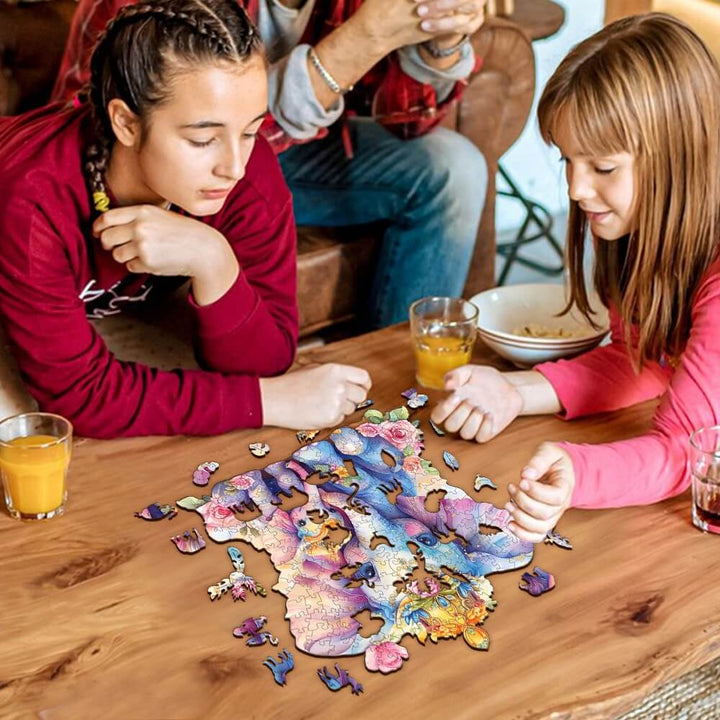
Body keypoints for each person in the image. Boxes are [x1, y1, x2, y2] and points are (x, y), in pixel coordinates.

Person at [0, 0, 370, 439]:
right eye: (203, 140)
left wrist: (214, 260)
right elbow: (82, 398)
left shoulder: (246, 169)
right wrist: (270, 400)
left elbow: (267, 358)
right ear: (126, 123)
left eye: (250, 131)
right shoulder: (32, 199)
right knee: (22, 434)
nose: (234, 165)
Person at [431, 13, 720, 542]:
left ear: (682, 158)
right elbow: (644, 358)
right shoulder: (640, 232)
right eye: (568, 160)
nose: (575, 189)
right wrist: (515, 391)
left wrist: (578, 473)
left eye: (603, 168)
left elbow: (689, 448)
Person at [51, 0, 489, 328]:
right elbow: (109, 138)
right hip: (154, 166)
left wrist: (440, 42)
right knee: (225, 150)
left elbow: (410, 124)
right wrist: (362, 39)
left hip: (288, 150)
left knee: (453, 168)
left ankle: (402, 386)